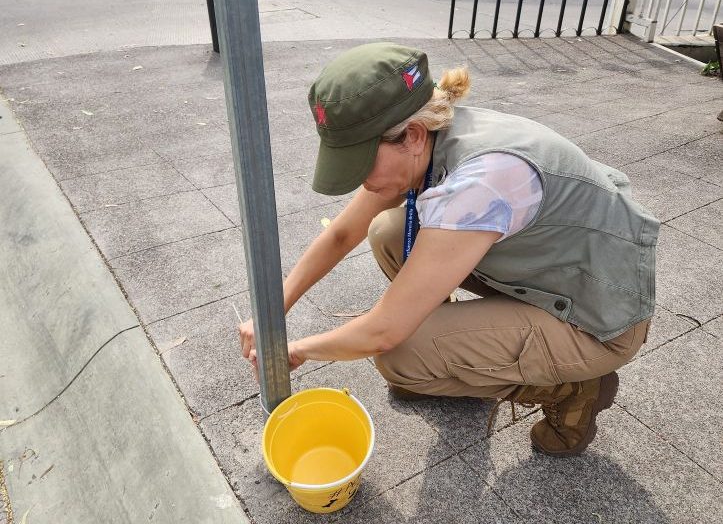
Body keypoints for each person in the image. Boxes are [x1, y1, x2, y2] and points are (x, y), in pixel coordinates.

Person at [238, 43, 659, 457]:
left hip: (594, 321)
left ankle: (573, 386)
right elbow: (341, 235)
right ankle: (454, 351)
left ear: (413, 136)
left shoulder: (482, 180)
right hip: (549, 273)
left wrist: (292, 350)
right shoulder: (430, 133)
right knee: (388, 230)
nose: (357, 180)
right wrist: (272, 312)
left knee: (399, 356)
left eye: (362, 161)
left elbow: (384, 331)